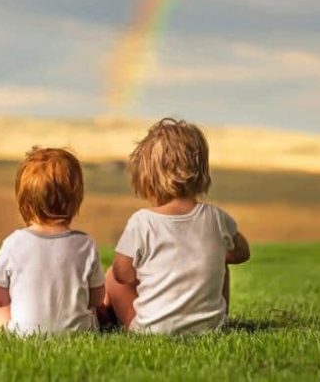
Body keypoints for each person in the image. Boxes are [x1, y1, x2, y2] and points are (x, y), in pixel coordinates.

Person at [104, 117, 250, 334]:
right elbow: (242, 253)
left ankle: (110, 320)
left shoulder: (142, 222)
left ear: (148, 179)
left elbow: (122, 274)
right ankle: (214, 320)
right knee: (223, 265)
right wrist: (204, 256)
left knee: (110, 277)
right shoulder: (217, 217)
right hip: (211, 329)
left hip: (154, 330)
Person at [0, 147, 105, 336]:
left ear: (24, 202)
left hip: (26, 334)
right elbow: (97, 299)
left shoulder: (14, 243)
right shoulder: (86, 244)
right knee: (92, 312)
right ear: (76, 199)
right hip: (80, 333)